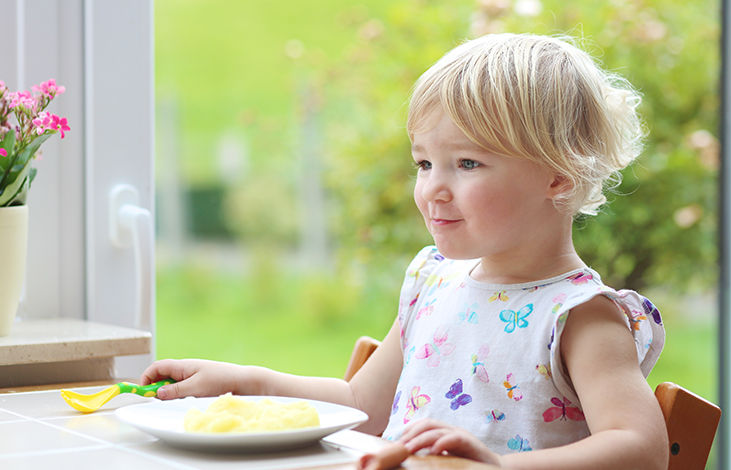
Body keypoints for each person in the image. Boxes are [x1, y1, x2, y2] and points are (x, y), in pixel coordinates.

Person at [141, 33, 668, 469]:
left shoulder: (578, 317)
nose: (432, 189)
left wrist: (494, 465)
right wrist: (247, 383)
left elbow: (641, 449)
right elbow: (360, 408)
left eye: (466, 164)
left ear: (558, 176)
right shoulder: (433, 284)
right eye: (424, 164)